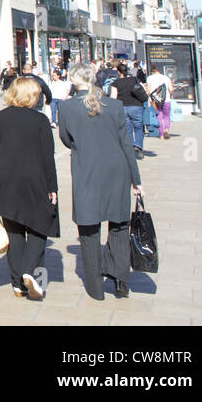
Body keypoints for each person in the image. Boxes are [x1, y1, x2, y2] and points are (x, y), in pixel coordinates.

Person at [56, 65, 143, 299]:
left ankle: (95, 288)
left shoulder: (66, 107)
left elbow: (65, 138)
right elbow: (127, 143)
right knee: (119, 225)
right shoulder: (114, 105)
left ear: (74, 80)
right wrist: (136, 179)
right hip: (117, 170)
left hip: (86, 170)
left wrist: (81, 145)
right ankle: (120, 278)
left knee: (88, 228)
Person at [0, 76, 60, 299]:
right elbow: (48, 158)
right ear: (29, 96)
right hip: (32, 179)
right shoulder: (40, 121)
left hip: (3, 179)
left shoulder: (1, 117)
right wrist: (52, 187)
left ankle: (17, 284)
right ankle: (30, 272)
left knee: (14, 230)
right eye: (36, 94)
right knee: (39, 227)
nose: (39, 98)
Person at [108, 61, 150, 159]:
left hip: (123, 107)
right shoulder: (135, 80)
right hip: (136, 106)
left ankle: (130, 148)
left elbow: (113, 97)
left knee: (128, 128)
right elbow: (145, 91)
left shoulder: (116, 83)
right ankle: (138, 147)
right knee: (139, 127)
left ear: (119, 72)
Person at [143, 64, 174, 139]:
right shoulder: (165, 78)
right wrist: (171, 95)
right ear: (159, 70)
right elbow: (171, 89)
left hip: (156, 100)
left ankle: (161, 135)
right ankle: (166, 129)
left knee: (159, 116)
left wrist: (149, 99)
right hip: (166, 99)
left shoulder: (149, 78)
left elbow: (148, 90)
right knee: (167, 116)